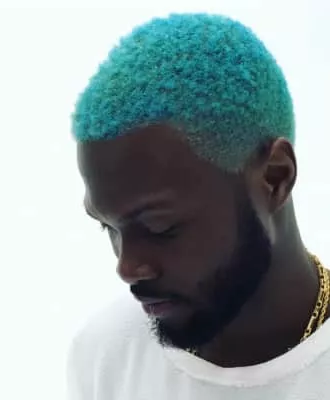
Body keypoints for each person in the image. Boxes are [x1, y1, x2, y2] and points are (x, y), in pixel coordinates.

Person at [67, 13, 330, 399]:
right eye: (109, 228)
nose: (127, 267)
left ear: (275, 177)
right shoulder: (106, 355)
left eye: (160, 227)